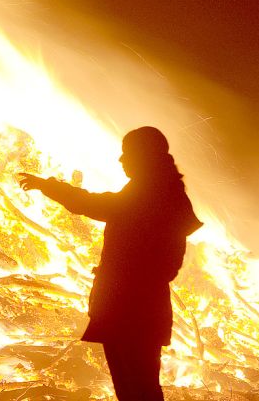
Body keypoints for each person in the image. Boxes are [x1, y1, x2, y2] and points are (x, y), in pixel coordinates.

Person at [18, 126, 203, 401]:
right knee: (135, 388)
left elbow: (98, 205)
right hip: (135, 306)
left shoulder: (154, 194)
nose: (121, 160)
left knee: (138, 389)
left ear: (144, 156)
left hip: (132, 308)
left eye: (127, 154)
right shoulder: (163, 190)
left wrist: (50, 187)